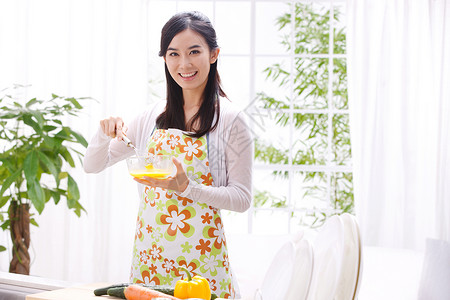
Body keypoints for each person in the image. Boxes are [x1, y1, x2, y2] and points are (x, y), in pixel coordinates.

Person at [83, 11, 253, 299]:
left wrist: (188, 189)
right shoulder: (151, 116)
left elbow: (242, 198)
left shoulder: (231, 120)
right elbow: (92, 165)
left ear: (213, 54)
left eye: (194, 51)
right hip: (150, 258)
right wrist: (103, 133)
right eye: (173, 54)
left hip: (202, 266)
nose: (184, 64)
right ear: (164, 59)